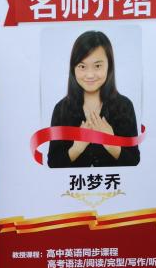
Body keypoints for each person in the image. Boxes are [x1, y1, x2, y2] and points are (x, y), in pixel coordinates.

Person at [47, 31, 140, 168]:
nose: (90, 75)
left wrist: (111, 144)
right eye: (82, 66)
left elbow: (134, 160)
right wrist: (77, 148)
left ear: (109, 66)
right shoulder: (61, 109)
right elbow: (53, 163)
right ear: (73, 68)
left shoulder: (124, 106)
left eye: (97, 66)